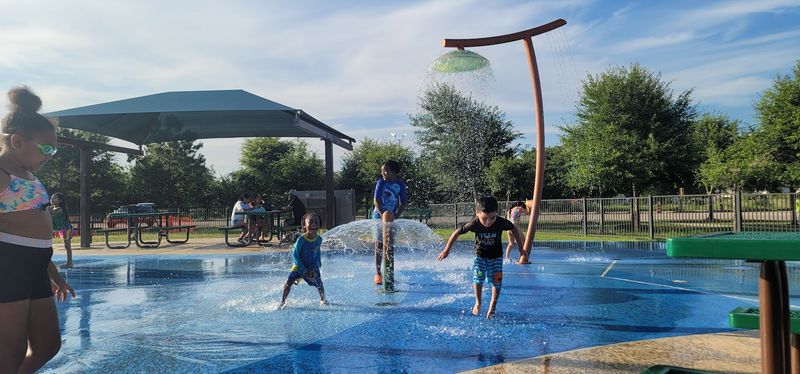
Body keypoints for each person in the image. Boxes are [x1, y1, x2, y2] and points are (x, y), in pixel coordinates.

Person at [0, 86, 75, 373]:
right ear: (17, 141)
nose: (51, 155)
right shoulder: (2, 173)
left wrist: (54, 275)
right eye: (46, 148)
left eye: (54, 149)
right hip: (8, 266)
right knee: (11, 351)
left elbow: (37, 240)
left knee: (47, 345)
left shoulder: (29, 175)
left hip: (35, 267)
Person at [437, 196, 525, 319]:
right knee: (478, 278)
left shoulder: (500, 222)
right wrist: (447, 250)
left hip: (496, 257)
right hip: (480, 255)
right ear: (477, 213)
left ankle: (493, 305)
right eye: (484, 218)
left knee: (497, 281)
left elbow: (513, 228)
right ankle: (478, 302)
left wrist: (521, 248)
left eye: (492, 218)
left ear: (497, 214)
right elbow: (456, 232)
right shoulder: (475, 223)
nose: (488, 222)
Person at [279, 212, 328, 309]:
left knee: (319, 283)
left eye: (316, 222)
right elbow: (295, 255)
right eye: (310, 222)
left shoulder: (319, 239)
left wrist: (318, 264)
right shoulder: (301, 239)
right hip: (299, 265)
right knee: (289, 282)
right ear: (304, 226)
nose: (314, 224)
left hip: (312, 266)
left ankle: (323, 299)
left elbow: (317, 252)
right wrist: (303, 270)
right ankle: (282, 301)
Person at [372, 160, 407, 285]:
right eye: (382, 170)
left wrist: (395, 216)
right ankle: (378, 273)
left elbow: (403, 203)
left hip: (391, 217)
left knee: (390, 245)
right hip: (378, 216)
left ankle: (389, 272)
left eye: (385, 171)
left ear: (393, 172)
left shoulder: (400, 184)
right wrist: (382, 216)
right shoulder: (381, 182)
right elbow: (376, 200)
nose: (383, 173)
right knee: (380, 244)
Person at [48, 193, 74, 268]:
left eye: (54, 198)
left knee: (67, 246)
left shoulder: (60, 209)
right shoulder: (51, 208)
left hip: (67, 229)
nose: (51, 199)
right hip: (61, 229)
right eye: (51, 198)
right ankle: (69, 262)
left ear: (60, 200)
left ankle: (70, 263)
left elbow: (53, 212)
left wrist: (47, 208)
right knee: (66, 246)